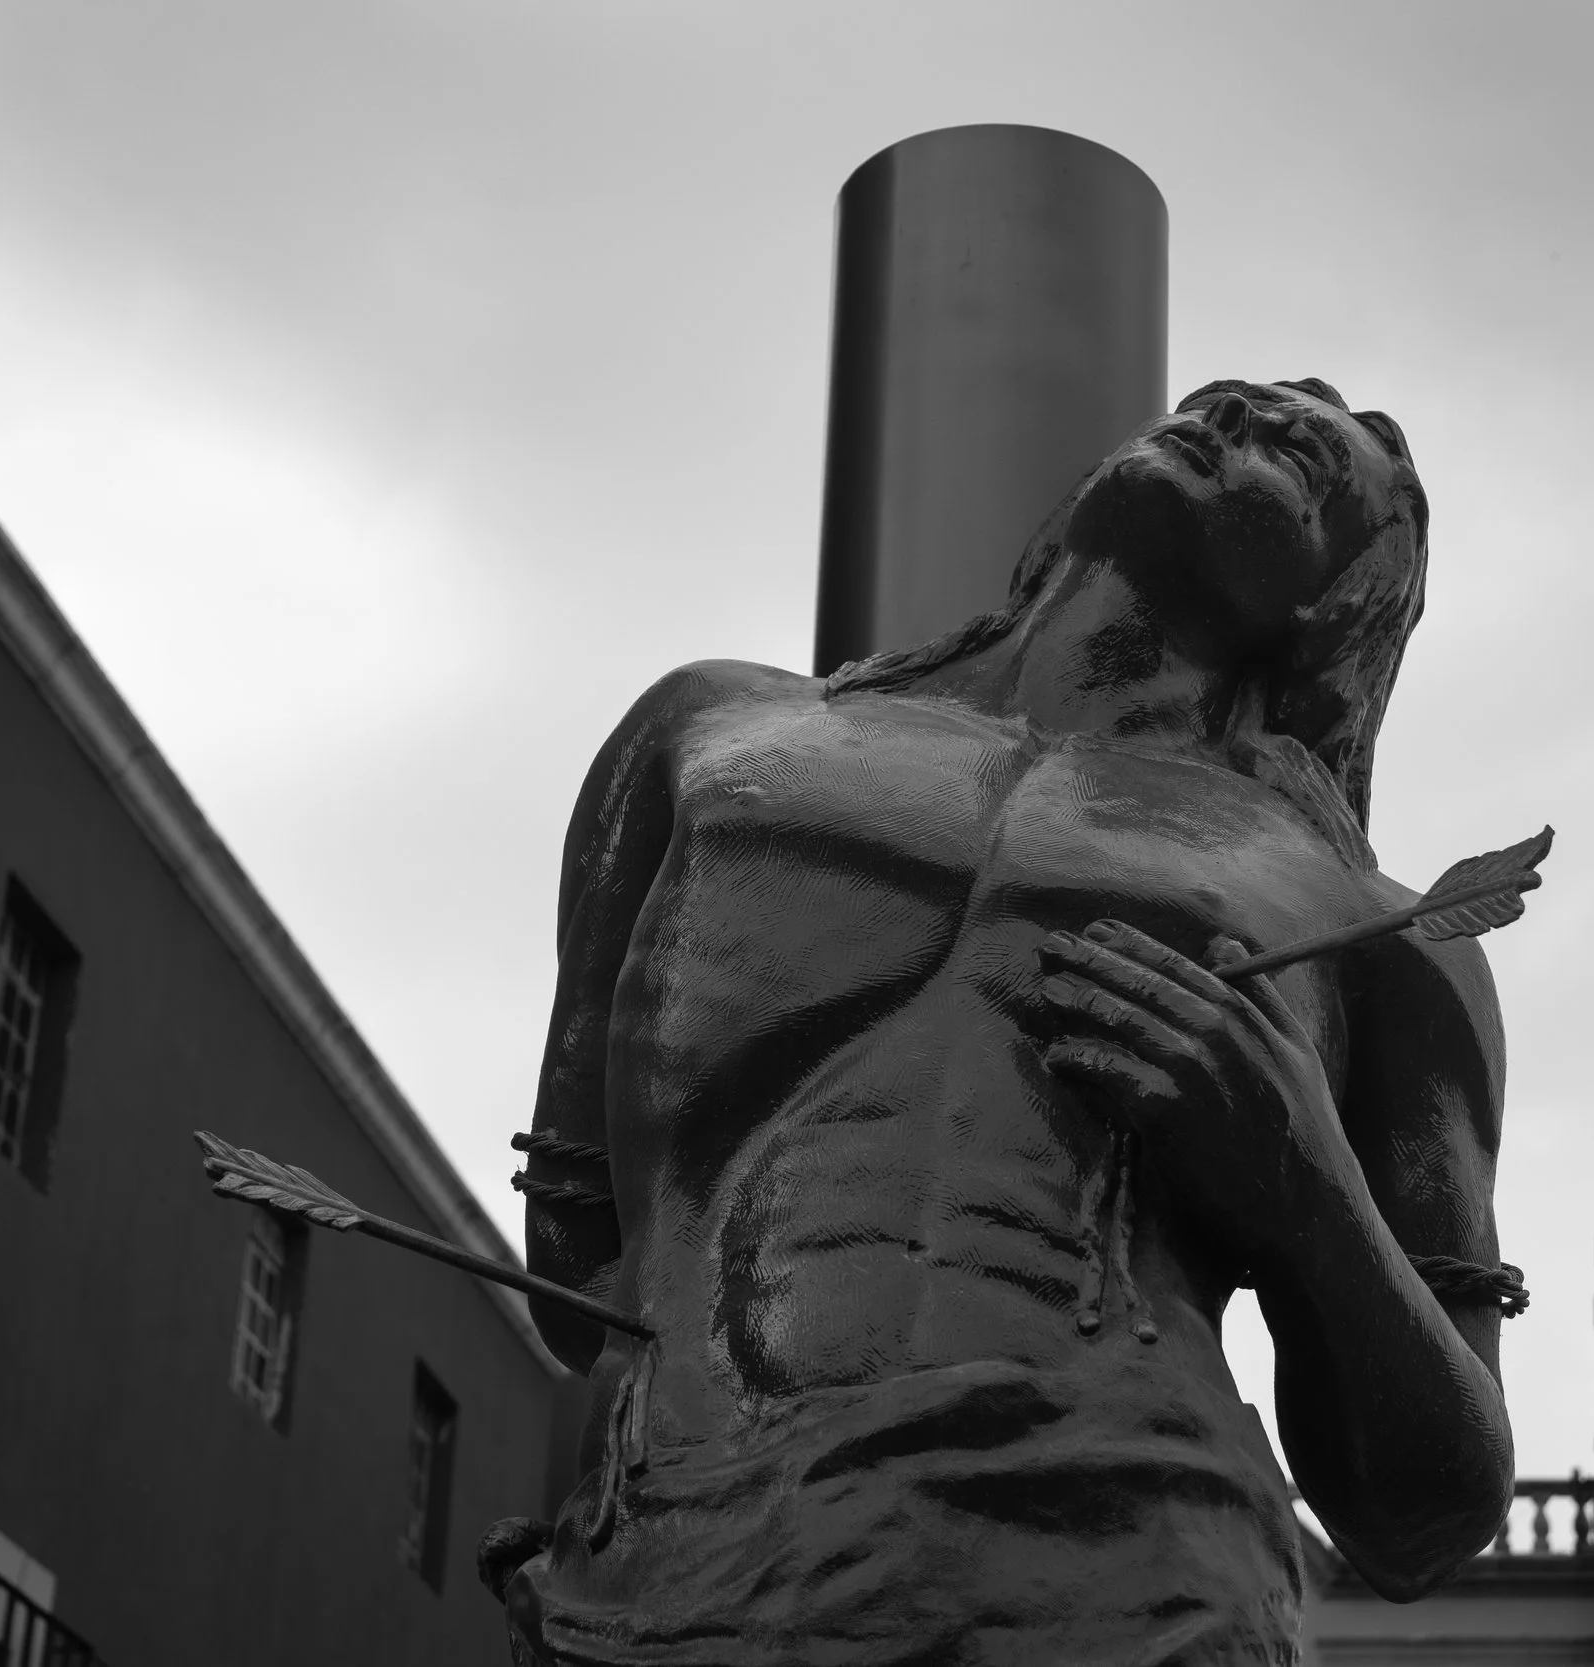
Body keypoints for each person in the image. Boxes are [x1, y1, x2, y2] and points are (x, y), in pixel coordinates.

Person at [493, 379, 1517, 1666]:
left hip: (1127, 1580)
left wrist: (1310, 1194)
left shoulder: (1372, 928)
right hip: (677, 1559)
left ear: (1329, 609)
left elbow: (1426, 1513)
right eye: (1219, 404)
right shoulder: (705, 730)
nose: (1227, 426)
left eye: (1296, 457)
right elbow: (574, 1258)